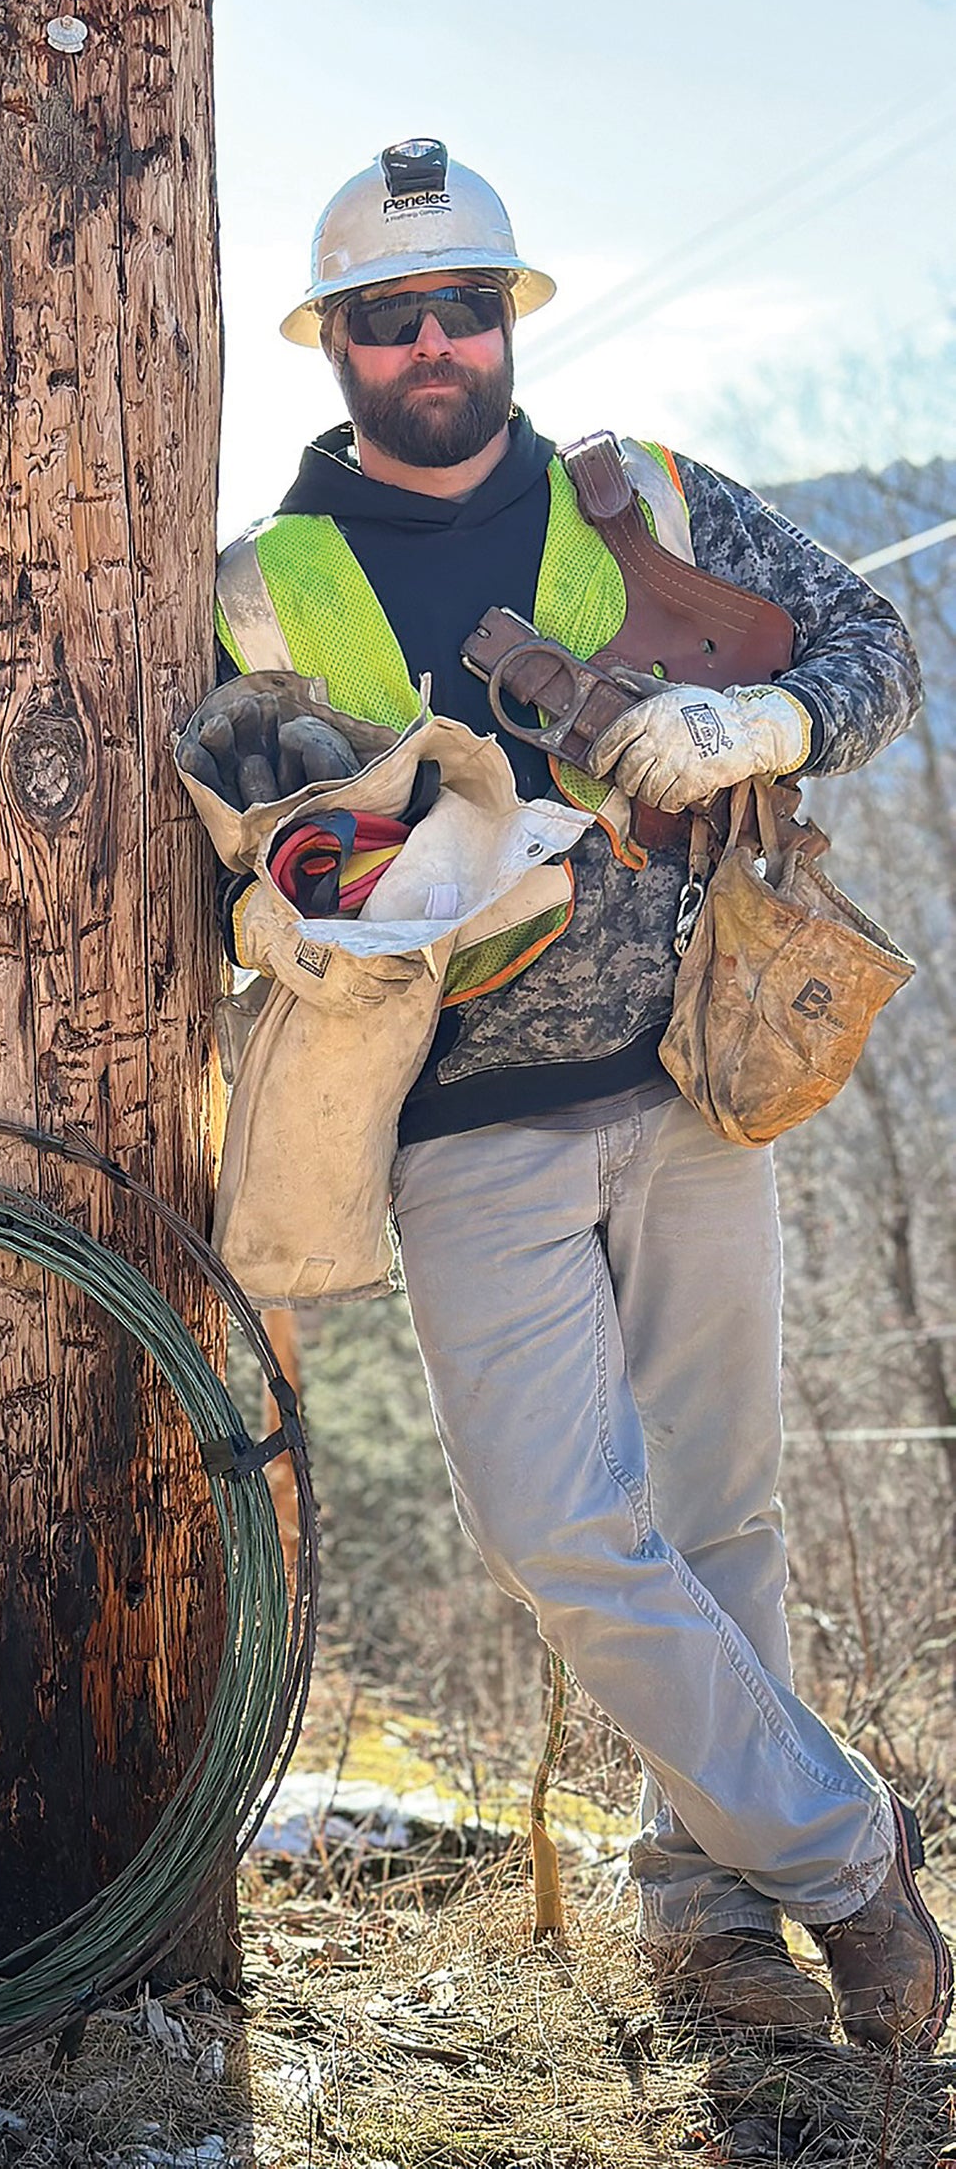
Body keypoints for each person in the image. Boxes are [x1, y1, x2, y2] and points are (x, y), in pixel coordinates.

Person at [202, 137, 948, 2049]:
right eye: (392, 316)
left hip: (697, 1082)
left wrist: (757, 719)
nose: (434, 340)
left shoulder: (651, 502)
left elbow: (883, 651)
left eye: (466, 305)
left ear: (511, 319)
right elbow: (208, 850)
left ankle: (714, 1923)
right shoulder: (260, 593)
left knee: (723, 1521)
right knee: (562, 1535)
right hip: (457, 1128)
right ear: (339, 345)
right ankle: (847, 1859)